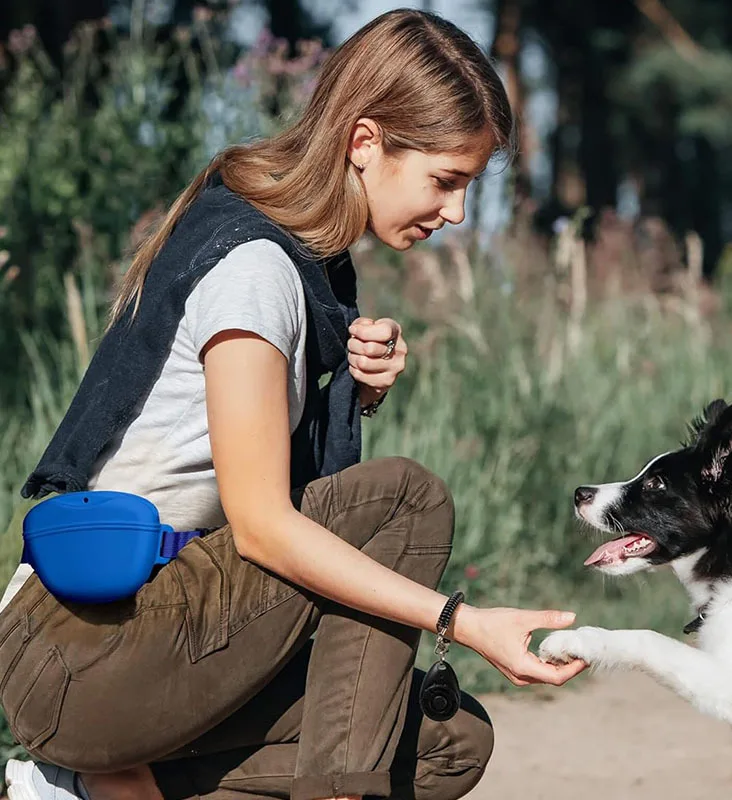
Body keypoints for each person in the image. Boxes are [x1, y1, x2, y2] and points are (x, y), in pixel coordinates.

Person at [0, 9, 585, 800]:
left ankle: (87, 783)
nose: (454, 213)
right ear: (366, 142)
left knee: (446, 743)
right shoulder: (256, 271)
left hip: (154, 638)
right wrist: (464, 623)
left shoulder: (302, 274)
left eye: (468, 187)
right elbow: (265, 525)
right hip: (80, 646)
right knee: (404, 501)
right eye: (446, 179)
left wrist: (350, 390)